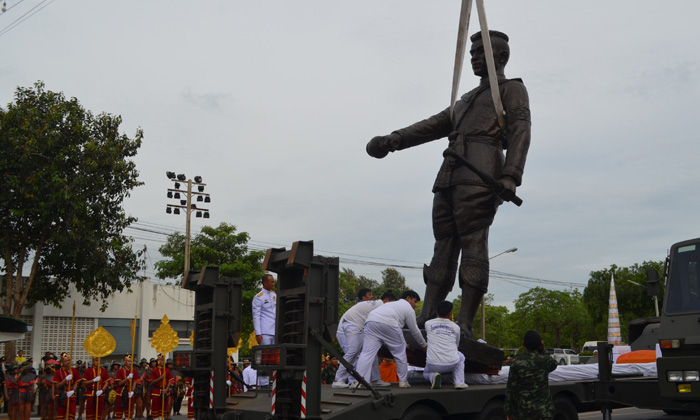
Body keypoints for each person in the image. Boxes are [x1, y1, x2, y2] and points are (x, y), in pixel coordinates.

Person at [366, 30, 531, 340]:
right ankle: (427, 316)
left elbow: (521, 131)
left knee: (473, 242)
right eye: (472, 54)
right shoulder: (465, 100)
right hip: (449, 176)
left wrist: (511, 174)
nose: (475, 58)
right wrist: (394, 140)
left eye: (481, 53)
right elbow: (433, 125)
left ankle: (465, 324)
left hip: (480, 172)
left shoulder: (512, 90)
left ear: (502, 57)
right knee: (442, 248)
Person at [352, 290, 427, 389]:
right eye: (415, 301)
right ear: (408, 298)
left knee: (366, 353)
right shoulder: (408, 308)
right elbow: (414, 330)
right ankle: (403, 381)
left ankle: (359, 381)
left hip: (371, 321)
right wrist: (424, 345)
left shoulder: (391, 305)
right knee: (400, 353)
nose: (415, 305)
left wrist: (403, 343)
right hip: (388, 323)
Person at [332, 290, 396, 388]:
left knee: (371, 351)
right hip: (351, 325)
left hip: (359, 327)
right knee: (354, 352)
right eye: (393, 304)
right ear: (387, 300)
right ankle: (339, 380)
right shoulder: (380, 306)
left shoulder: (376, 305)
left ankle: (375, 379)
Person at [504, 330, 558, 420]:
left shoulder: (516, 362)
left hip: (524, 412)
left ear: (524, 344)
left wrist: (509, 411)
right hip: (543, 411)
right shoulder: (545, 360)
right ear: (540, 345)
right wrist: (543, 348)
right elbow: (554, 364)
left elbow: (511, 389)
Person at [423, 301, 468, 389]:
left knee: (425, 373)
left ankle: (433, 376)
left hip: (432, 364)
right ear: (449, 314)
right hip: (451, 364)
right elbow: (456, 345)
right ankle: (459, 382)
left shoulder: (428, 324)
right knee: (461, 356)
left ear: (436, 311)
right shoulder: (456, 327)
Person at [53, 352, 81, 420]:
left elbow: (76, 382)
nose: (67, 362)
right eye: (65, 361)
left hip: (71, 393)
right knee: (61, 414)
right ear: (62, 362)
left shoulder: (74, 371)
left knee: (71, 413)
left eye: (68, 360)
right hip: (62, 394)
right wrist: (65, 380)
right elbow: (57, 385)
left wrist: (73, 391)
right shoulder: (58, 372)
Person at [252, 274, 277, 345]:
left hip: (275, 330)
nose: (273, 284)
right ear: (265, 283)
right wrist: (258, 333)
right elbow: (256, 316)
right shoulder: (258, 297)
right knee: (265, 354)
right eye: (271, 282)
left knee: (275, 355)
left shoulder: (274, 295)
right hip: (265, 331)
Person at [148, 354, 172, 420]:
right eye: (160, 360)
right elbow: (152, 382)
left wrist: (166, 389)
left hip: (165, 391)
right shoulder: (154, 371)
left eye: (162, 360)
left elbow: (170, 381)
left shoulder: (167, 370)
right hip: (156, 391)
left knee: (164, 408)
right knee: (155, 408)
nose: (161, 361)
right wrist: (160, 378)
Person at [114, 356, 137, 420]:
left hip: (130, 392)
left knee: (129, 411)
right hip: (121, 392)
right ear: (125, 362)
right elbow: (119, 383)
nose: (129, 363)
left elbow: (135, 382)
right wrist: (127, 378)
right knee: (119, 410)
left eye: (131, 361)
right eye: (128, 361)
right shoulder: (120, 371)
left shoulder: (134, 371)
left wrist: (132, 391)